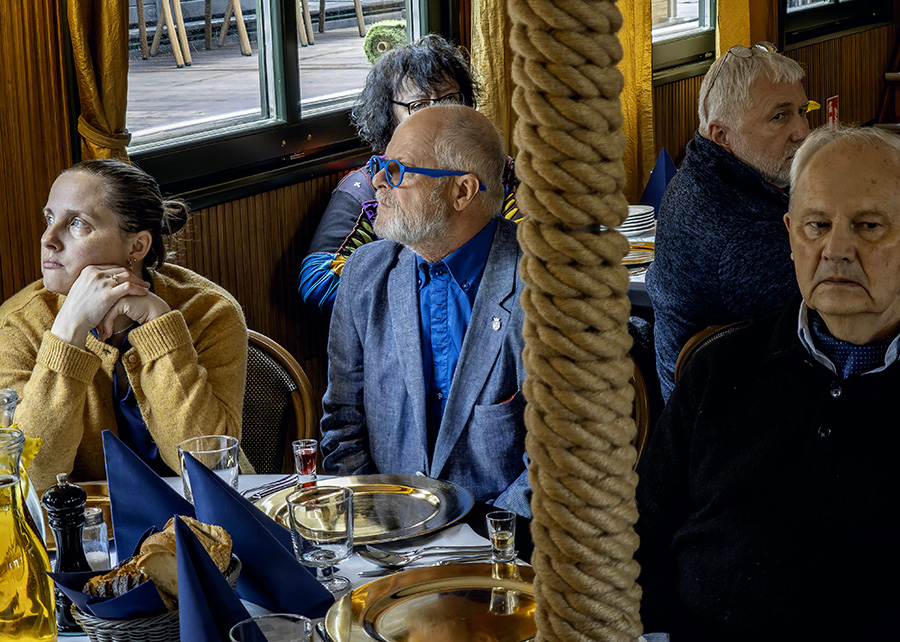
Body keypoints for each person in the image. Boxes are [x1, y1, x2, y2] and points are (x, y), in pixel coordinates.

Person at [635, 124, 900, 639]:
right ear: (790, 235)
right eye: (817, 225)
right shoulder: (718, 369)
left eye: (868, 225)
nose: (836, 249)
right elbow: (635, 542)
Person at [320, 105, 530, 517]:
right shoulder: (364, 273)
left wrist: (484, 538)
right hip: (386, 529)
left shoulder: (544, 286)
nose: (378, 182)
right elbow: (342, 425)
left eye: (398, 170)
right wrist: (376, 521)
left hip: (504, 542)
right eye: (380, 164)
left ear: (462, 192)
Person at [0, 160, 247, 492]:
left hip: (202, 513)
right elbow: (31, 477)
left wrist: (160, 329)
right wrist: (68, 331)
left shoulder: (209, 311)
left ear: (137, 246)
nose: (48, 239)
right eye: (49, 218)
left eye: (76, 223)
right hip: (86, 520)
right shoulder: (15, 324)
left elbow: (210, 467)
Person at [299, 33, 519, 313]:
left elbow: (541, 250)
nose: (438, 113)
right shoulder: (368, 186)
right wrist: (428, 293)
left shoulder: (500, 171)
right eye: (419, 105)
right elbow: (319, 279)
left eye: (450, 98)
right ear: (389, 116)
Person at [646, 42, 811, 399]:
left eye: (802, 111)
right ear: (722, 135)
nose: (803, 131)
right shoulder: (742, 239)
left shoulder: (701, 169)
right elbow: (837, 322)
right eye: (780, 116)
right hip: (725, 413)